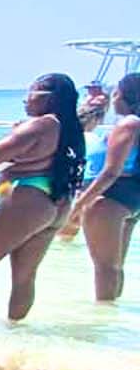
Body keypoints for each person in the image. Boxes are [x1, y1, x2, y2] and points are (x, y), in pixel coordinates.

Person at [0, 73, 86, 322]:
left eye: (32, 91)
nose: (25, 98)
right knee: (24, 278)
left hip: (30, 201)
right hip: (56, 205)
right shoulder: (70, 128)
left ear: (50, 98)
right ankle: (16, 335)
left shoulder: (43, 124)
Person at [63, 71, 140, 301]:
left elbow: (110, 171)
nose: (112, 98)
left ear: (122, 95)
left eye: (114, 92)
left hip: (109, 199)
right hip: (129, 198)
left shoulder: (128, 123)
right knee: (115, 266)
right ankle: (111, 321)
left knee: (104, 267)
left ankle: (102, 316)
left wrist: (80, 204)